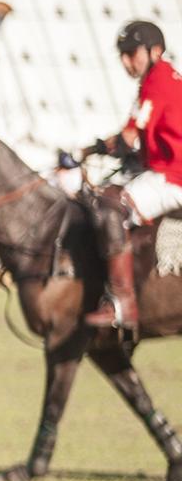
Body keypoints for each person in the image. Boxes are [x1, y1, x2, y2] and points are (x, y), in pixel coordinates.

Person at [80, 20, 182, 330]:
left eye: (131, 53)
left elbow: (127, 138)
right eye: (122, 55)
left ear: (155, 51)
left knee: (113, 207)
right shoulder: (155, 80)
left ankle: (122, 303)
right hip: (163, 169)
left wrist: (87, 151)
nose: (126, 62)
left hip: (175, 175)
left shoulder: (160, 80)